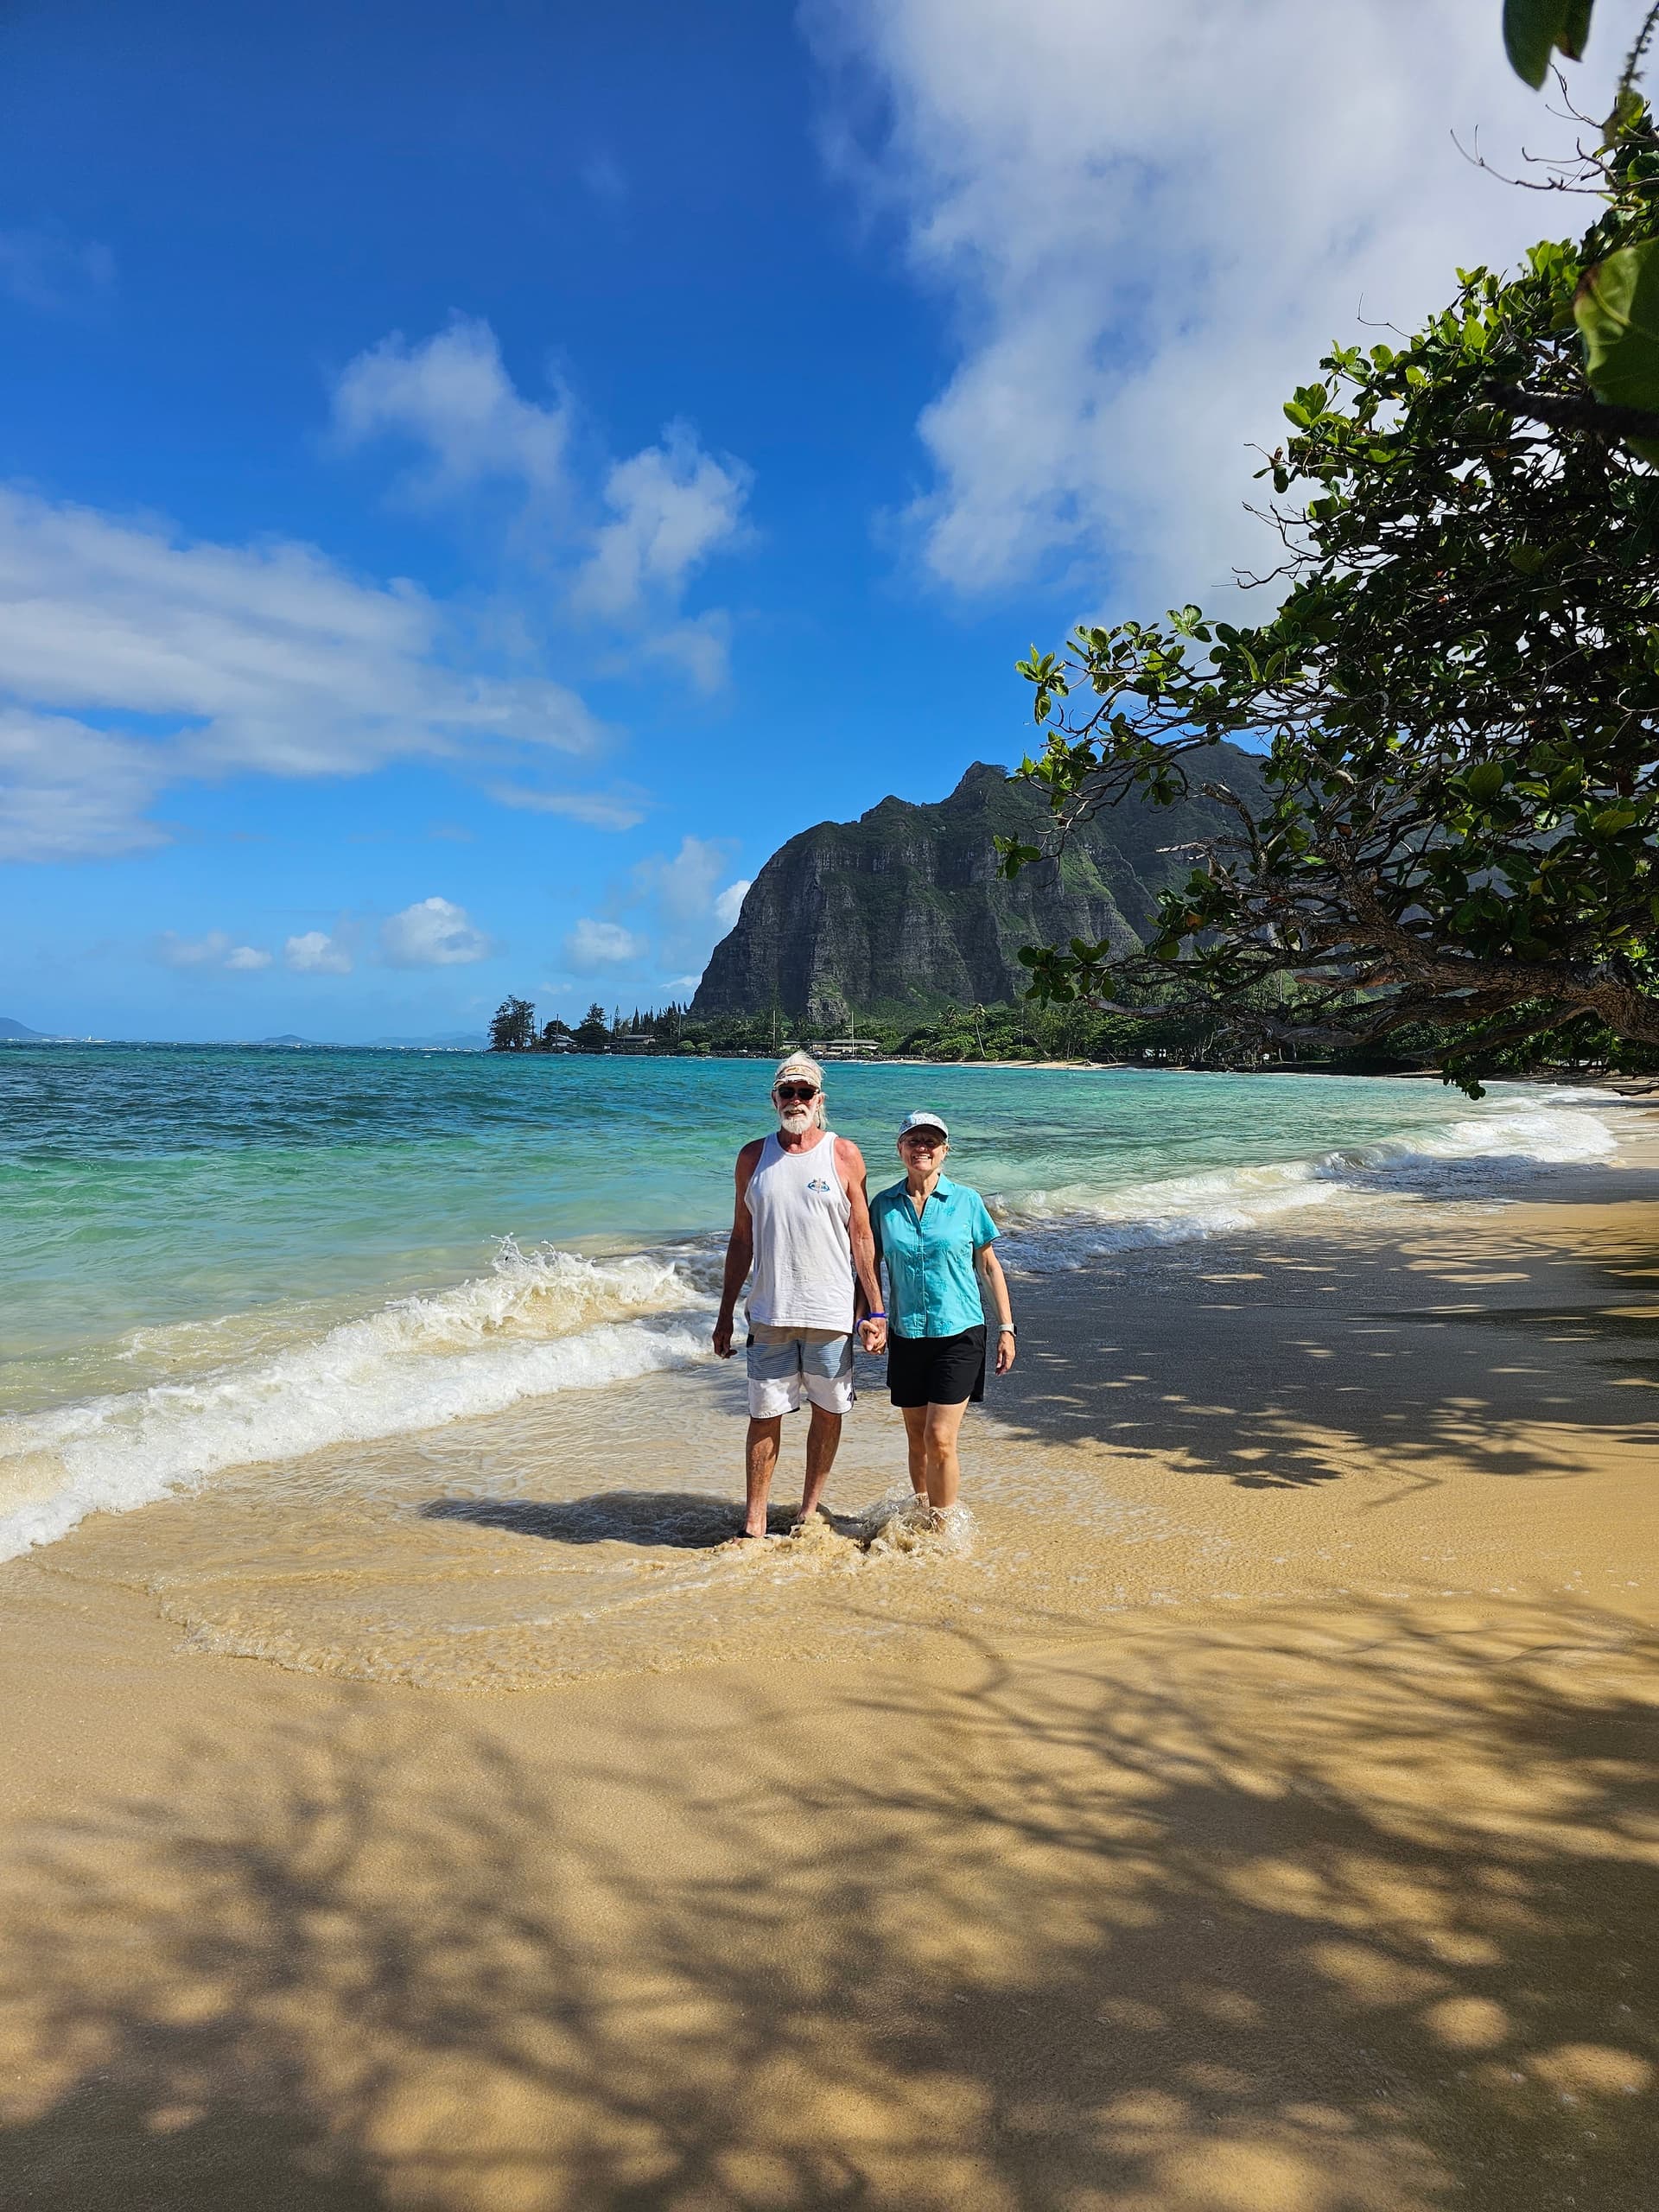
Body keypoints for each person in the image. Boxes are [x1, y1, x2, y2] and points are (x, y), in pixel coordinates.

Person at [712, 1053, 887, 1538]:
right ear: (774, 1099)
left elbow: (862, 1237)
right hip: (769, 1312)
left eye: (804, 1092)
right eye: (786, 1092)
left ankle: (809, 1511)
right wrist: (725, 1314)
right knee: (764, 1414)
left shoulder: (843, 1154)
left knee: (828, 1412)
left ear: (819, 1100)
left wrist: (876, 1309)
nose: (795, 1100)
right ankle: (755, 1521)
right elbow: (741, 1238)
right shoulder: (753, 1157)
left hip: (831, 1313)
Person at [869, 1110, 1015, 1525]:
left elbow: (988, 1267)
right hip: (907, 1334)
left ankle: (944, 1525)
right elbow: (868, 1266)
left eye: (931, 1142)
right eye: (914, 1141)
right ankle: (920, 1515)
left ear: (944, 1151)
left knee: (939, 1438)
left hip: (960, 1333)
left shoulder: (967, 1201)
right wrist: (872, 1316)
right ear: (900, 1149)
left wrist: (1007, 1329)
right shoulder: (883, 1205)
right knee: (917, 1439)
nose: (923, 1148)